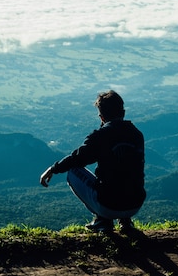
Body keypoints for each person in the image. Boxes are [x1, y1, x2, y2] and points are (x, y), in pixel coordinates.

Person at [40, 90, 145, 232]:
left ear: (101, 117)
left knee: (73, 170)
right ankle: (125, 222)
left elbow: (77, 158)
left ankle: (102, 220)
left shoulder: (101, 136)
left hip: (108, 206)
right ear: (123, 112)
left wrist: (53, 168)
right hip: (135, 205)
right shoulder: (137, 134)